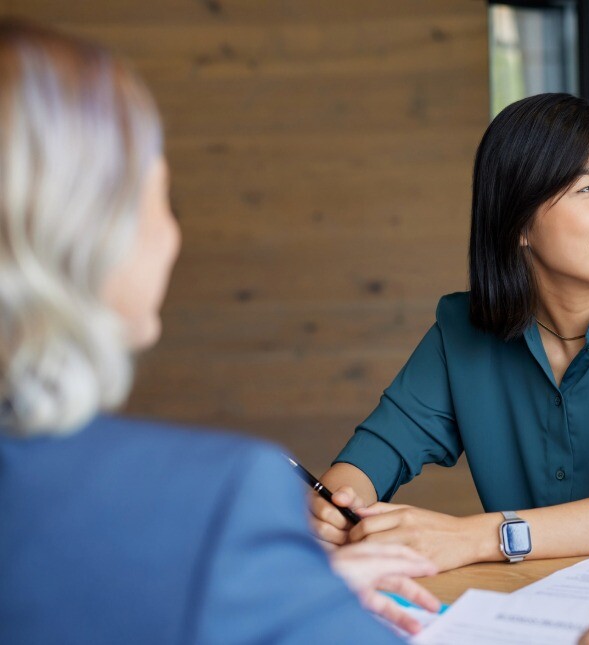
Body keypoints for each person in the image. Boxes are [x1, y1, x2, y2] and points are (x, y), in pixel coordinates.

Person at [0, 19, 446, 643]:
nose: (171, 232)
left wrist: (276, 589)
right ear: (88, 229)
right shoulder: (217, 505)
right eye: (158, 193)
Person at [310, 93, 589, 569]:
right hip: (526, 604)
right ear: (520, 225)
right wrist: (334, 507)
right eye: (588, 189)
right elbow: (379, 451)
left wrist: (474, 537)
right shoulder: (464, 331)